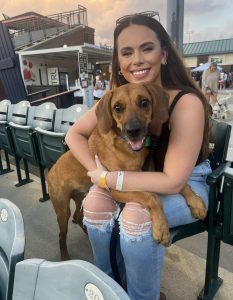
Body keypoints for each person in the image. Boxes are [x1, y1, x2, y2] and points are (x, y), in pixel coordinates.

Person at [65, 13, 212, 300]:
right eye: (127, 52)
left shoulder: (185, 102)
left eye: (147, 48)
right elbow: (73, 135)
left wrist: (108, 178)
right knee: (94, 203)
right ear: (118, 61)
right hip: (144, 176)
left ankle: (143, 296)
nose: (137, 60)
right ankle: (110, 287)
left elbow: (171, 180)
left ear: (164, 54)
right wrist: (96, 174)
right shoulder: (117, 97)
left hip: (186, 182)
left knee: (135, 217)